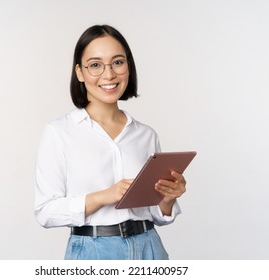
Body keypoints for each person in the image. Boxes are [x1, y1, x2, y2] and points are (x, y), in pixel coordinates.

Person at [34, 24, 187, 260]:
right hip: (92, 251)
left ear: (128, 66)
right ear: (79, 72)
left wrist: (168, 198)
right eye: (95, 65)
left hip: (149, 247)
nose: (109, 75)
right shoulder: (59, 132)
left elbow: (156, 214)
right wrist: (105, 196)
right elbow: (45, 213)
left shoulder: (146, 135)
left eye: (117, 62)